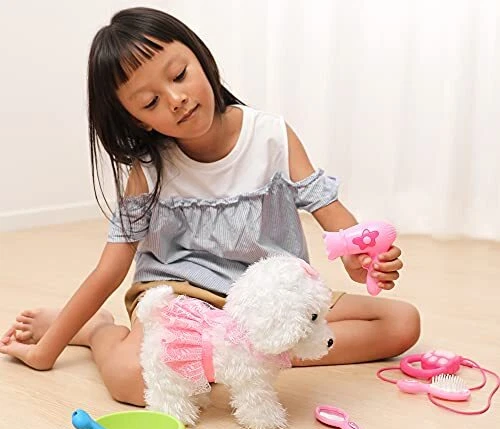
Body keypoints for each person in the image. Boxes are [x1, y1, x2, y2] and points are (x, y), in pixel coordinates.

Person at [0, 7, 420, 406]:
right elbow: (109, 270)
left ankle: (237, 355)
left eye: (179, 75)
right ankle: (99, 333)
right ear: (138, 120)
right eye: (150, 102)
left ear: (201, 58)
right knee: (133, 380)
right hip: (182, 297)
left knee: (400, 323)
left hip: (267, 298)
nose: (176, 99)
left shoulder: (270, 136)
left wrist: (358, 259)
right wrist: (47, 349)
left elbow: (333, 217)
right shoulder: (148, 169)